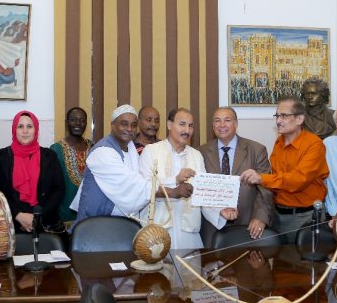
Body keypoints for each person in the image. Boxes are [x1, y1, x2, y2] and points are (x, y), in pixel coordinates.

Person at [139, 108, 237, 249]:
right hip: (157, 231)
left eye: (190, 126)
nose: (187, 130)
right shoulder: (151, 151)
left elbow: (202, 194)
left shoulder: (196, 155)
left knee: (190, 263)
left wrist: (220, 211)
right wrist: (175, 180)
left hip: (188, 232)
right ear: (169, 125)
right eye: (182, 124)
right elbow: (143, 189)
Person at [241, 97, 329, 244]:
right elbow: (276, 178)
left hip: (304, 217)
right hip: (278, 215)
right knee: (279, 258)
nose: (278, 121)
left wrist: (262, 178)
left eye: (284, 116)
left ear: (300, 119)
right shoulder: (279, 142)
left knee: (304, 258)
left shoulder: (314, 144)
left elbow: (298, 180)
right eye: (277, 116)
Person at [199, 106, 273, 247]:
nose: (222, 125)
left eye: (227, 120)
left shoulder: (256, 150)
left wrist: (260, 217)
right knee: (211, 260)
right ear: (213, 125)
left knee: (246, 261)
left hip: (247, 223)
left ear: (236, 124)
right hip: (212, 224)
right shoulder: (201, 152)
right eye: (217, 121)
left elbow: (265, 188)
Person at [71, 104, 154, 224]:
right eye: (124, 124)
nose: (129, 129)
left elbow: (141, 179)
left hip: (119, 223)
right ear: (113, 125)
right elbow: (130, 184)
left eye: (133, 125)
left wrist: (173, 182)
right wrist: (169, 192)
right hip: (94, 224)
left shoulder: (131, 149)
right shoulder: (102, 151)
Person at [0, 111, 64, 234]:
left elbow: (59, 189)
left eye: (29, 126)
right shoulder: (0, 157)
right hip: (10, 226)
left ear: (36, 130)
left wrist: (37, 216)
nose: (25, 131)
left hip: (44, 224)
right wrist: (18, 215)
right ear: (14, 130)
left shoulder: (50, 156)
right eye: (20, 126)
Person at [50, 107, 93, 222]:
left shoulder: (93, 148)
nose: (78, 123)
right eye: (73, 120)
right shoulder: (55, 150)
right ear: (67, 123)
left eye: (82, 120)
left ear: (86, 124)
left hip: (90, 215)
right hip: (64, 215)